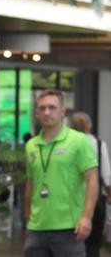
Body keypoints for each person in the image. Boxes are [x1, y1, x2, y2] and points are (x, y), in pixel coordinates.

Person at [24, 90, 98, 257]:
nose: (46, 112)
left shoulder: (79, 141)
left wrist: (86, 217)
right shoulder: (31, 145)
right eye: (42, 108)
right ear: (36, 112)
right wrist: (27, 218)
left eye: (52, 107)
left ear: (63, 111)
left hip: (69, 228)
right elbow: (30, 183)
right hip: (36, 229)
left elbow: (92, 179)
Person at [71, 111, 110, 257]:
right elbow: (106, 175)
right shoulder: (99, 144)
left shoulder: (69, 144)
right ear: (89, 125)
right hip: (96, 198)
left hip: (73, 199)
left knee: (72, 240)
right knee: (94, 242)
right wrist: (109, 195)